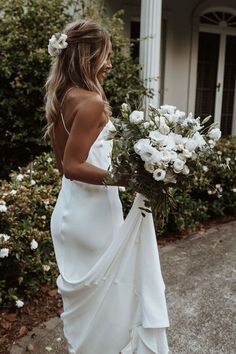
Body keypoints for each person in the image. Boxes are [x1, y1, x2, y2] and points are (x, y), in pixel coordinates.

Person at [44, 19, 170, 354]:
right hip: (93, 217)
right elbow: (72, 167)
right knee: (113, 305)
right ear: (87, 57)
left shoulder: (64, 94)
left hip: (70, 214)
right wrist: (130, 179)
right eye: (106, 55)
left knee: (92, 315)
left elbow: (63, 164)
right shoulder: (91, 102)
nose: (110, 63)